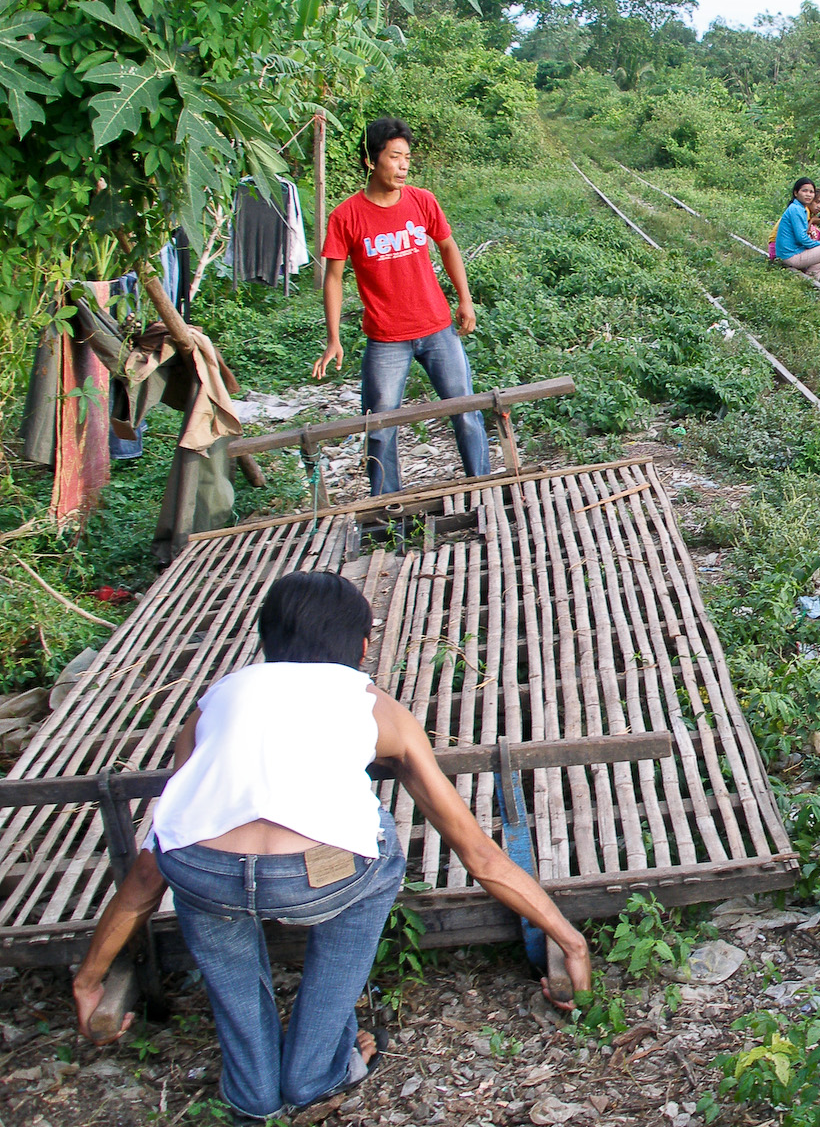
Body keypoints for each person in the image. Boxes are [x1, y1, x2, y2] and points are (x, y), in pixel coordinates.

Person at [71, 571, 592, 1123]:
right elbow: (477, 853)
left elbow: (160, 851)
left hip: (204, 870)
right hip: (318, 873)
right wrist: (569, 939)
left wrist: (89, 978)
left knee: (201, 887)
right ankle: (317, 1071)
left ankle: (252, 1092)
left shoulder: (217, 699)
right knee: (380, 846)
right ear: (363, 647)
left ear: (266, 642)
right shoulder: (374, 706)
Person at [313, 118, 491, 496]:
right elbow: (333, 278)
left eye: (407, 157)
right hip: (385, 339)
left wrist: (465, 298)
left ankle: (484, 489)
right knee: (379, 427)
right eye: (395, 157)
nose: (403, 166)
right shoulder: (346, 216)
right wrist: (333, 339)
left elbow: (447, 246)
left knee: (467, 412)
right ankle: (384, 514)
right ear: (370, 161)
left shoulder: (422, 201)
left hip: (437, 328)